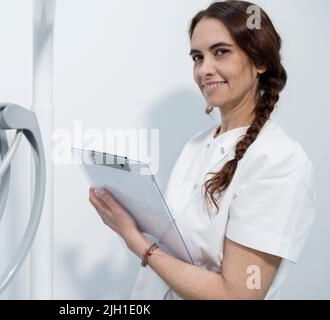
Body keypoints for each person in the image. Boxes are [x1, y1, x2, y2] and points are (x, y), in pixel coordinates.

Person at [88, 0, 316, 299]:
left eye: (221, 52)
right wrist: (129, 215)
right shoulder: (196, 146)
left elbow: (238, 295)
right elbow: (182, 251)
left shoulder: (278, 160)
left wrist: (135, 240)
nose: (204, 70)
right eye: (198, 57)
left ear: (260, 61)